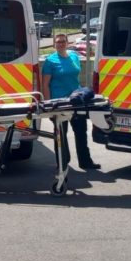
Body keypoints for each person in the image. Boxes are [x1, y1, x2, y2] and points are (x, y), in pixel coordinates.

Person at [41, 33, 100, 170]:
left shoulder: (74, 56)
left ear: (67, 43)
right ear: (54, 44)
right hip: (59, 103)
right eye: (58, 42)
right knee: (61, 135)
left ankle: (85, 162)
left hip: (76, 100)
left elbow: (75, 76)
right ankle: (62, 163)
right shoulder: (50, 61)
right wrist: (49, 105)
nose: (60, 44)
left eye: (63, 41)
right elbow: (45, 85)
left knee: (81, 131)